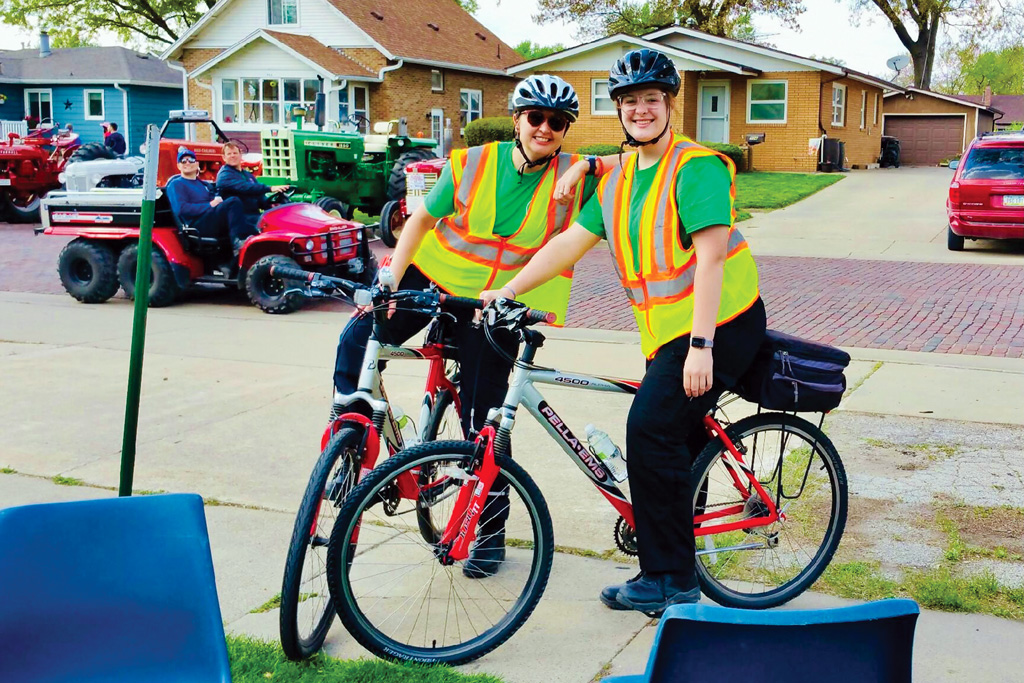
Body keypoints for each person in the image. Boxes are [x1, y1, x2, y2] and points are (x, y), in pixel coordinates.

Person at [481, 49, 766, 615]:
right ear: (619, 110)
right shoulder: (619, 176)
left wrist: (702, 346)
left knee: (649, 430)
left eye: (652, 99)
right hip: (669, 331)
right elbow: (568, 244)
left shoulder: (697, 167)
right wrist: (508, 290)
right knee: (674, 440)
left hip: (722, 324)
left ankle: (671, 580)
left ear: (669, 105)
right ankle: (675, 558)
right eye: (630, 101)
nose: (641, 109)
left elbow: (710, 261)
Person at [332, 75, 612, 579]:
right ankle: (347, 446)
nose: (545, 129)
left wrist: (593, 162)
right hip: (437, 280)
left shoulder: (575, 173)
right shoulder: (473, 163)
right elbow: (419, 220)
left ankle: (489, 532)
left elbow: (641, 168)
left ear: (566, 129)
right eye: (536, 118)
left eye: (557, 122)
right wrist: (392, 274)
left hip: (501, 305)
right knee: (357, 340)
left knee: (486, 423)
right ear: (517, 119)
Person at [165, 147, 253, 255]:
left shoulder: (204, 184)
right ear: (179, 166)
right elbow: (181, 209)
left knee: (249, 217)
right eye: (183, 161)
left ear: (197, 164)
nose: (187, 163)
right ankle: (237, 243)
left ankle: (250, 245)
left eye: (191, 160)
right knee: (233, 202)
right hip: (196, 224)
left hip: (210, 218)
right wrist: (209, 205)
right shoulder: (176, 184)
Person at [216, 142, 289, 228]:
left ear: (240, 155)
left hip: (253, 215)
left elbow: (258, 194)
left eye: (235, 153)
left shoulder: (247, 175)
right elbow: (245, 187)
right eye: (229, 154)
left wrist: (270, 205)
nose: (233, 156)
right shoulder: (224, 175)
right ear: (224, 157)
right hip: (239, 218)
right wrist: (270, 188)